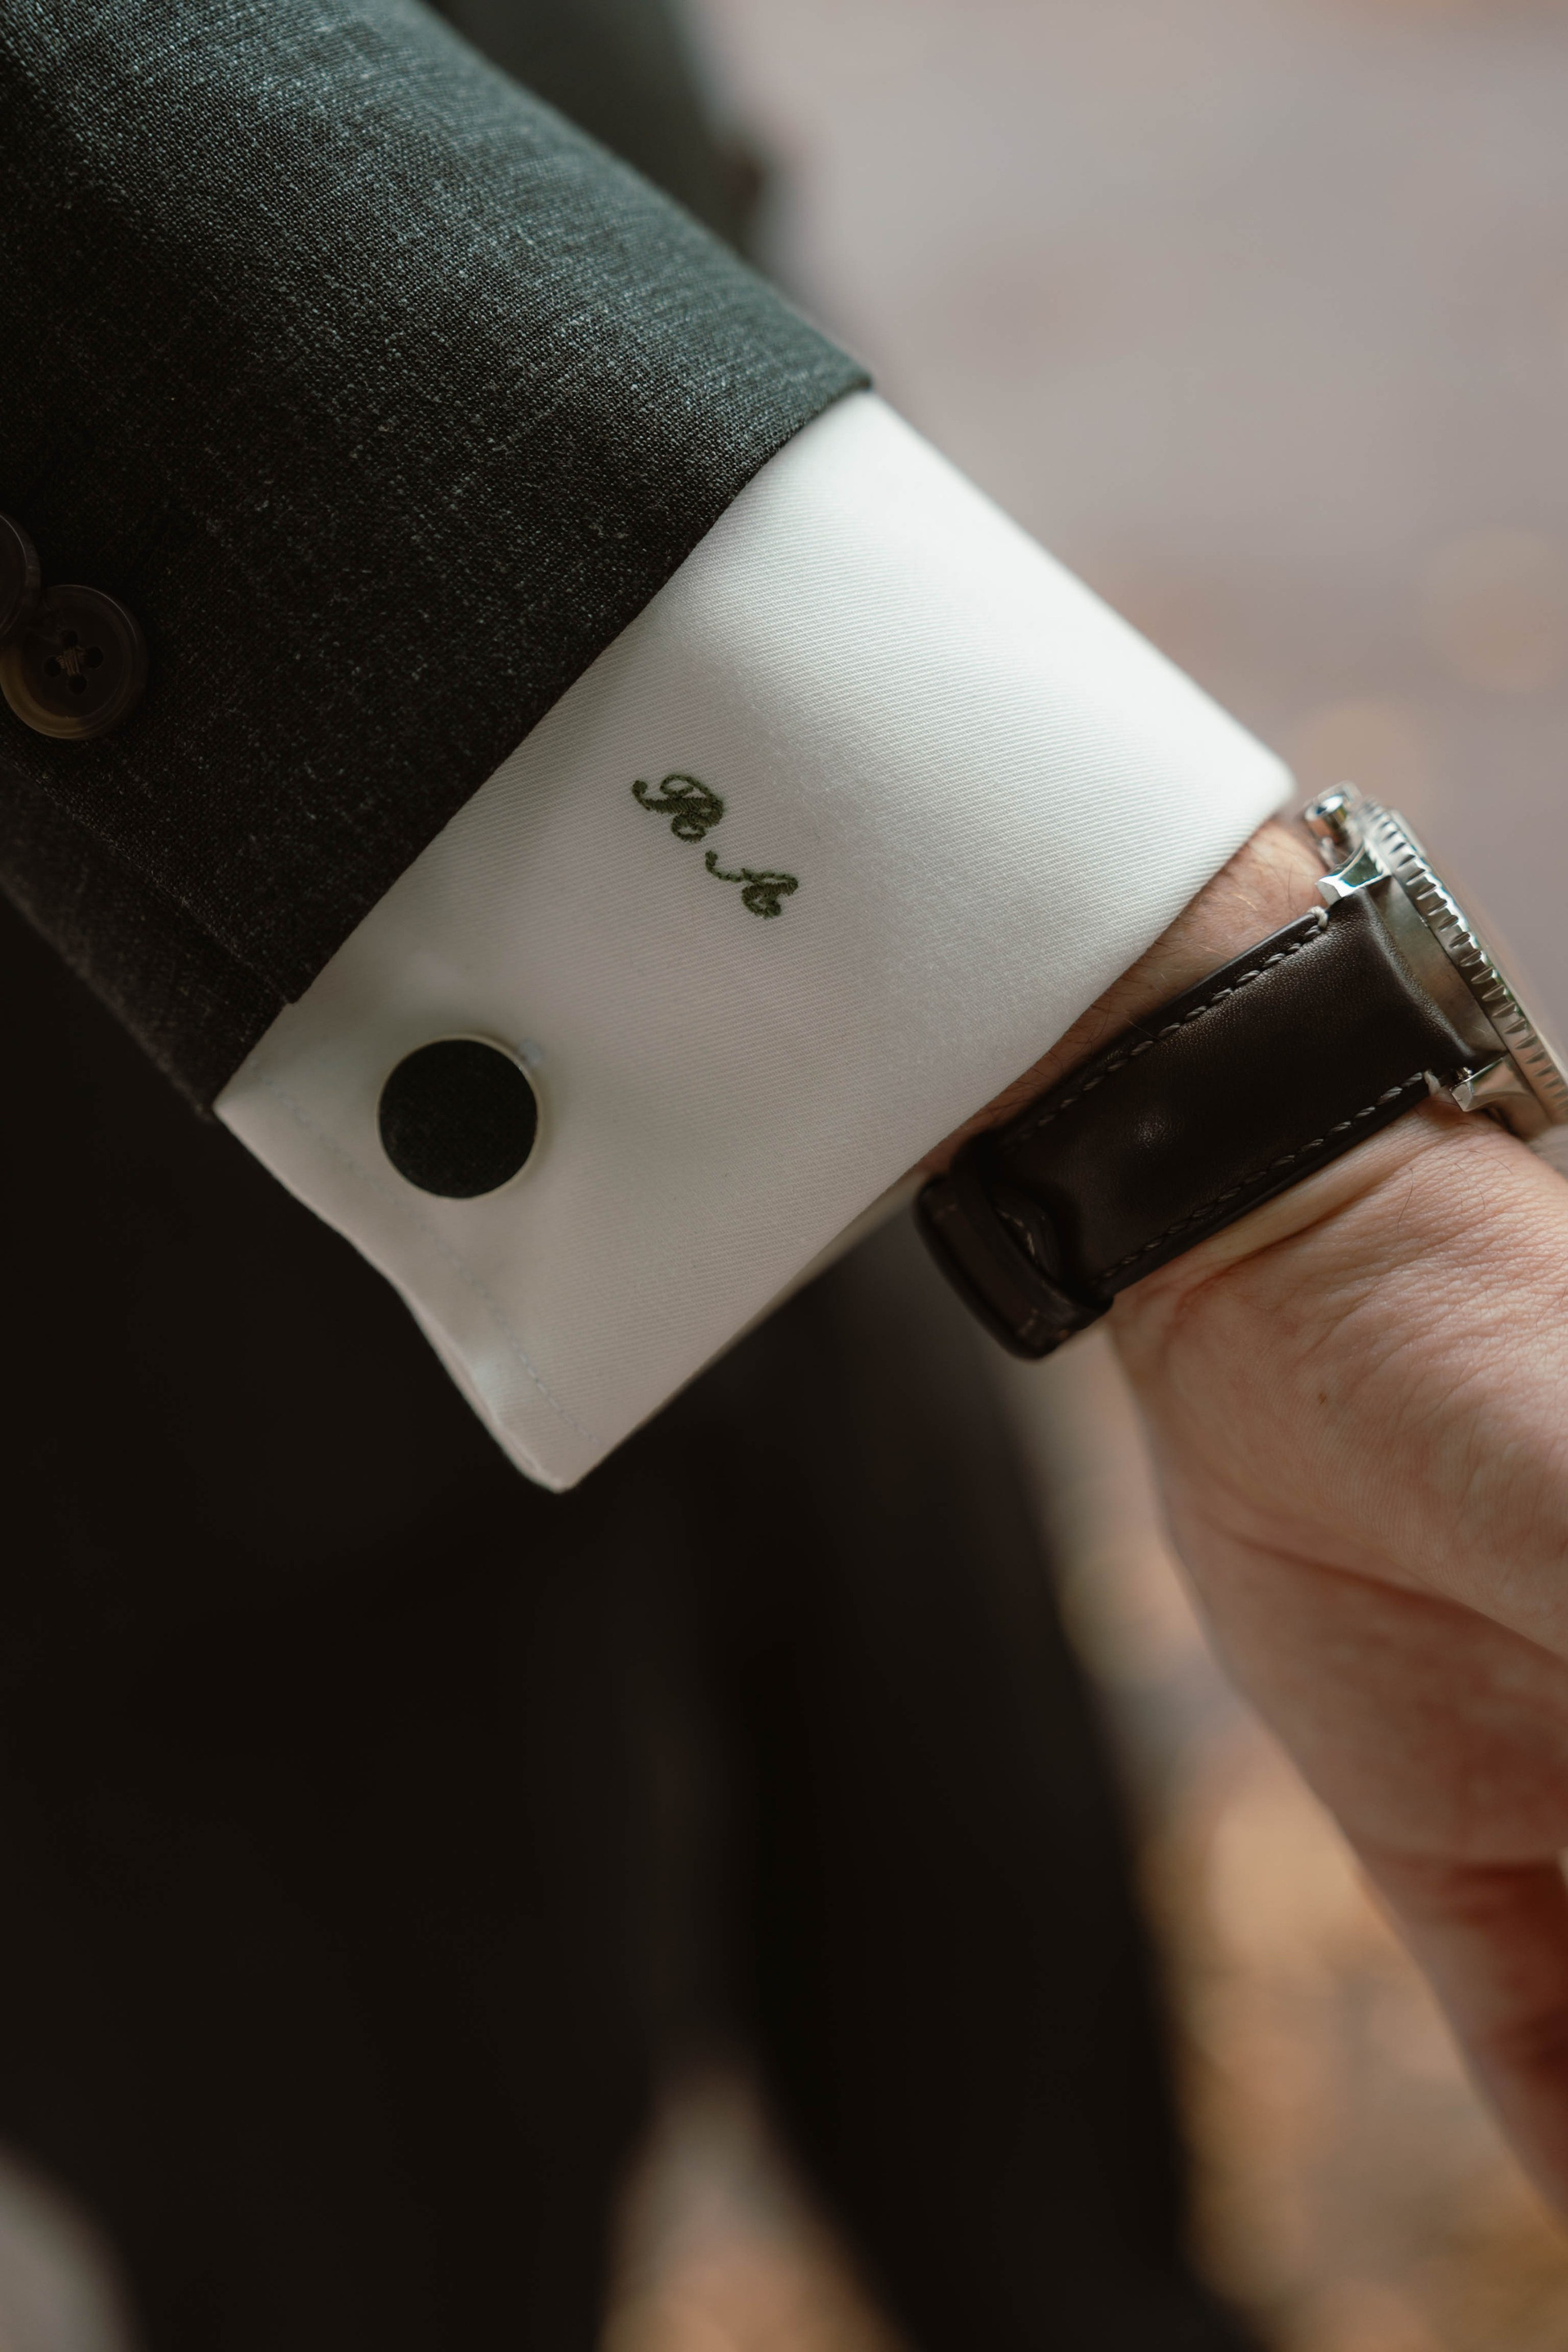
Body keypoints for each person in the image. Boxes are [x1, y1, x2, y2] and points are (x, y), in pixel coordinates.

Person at [1, 2, 1562, 2348]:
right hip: (114, 1394)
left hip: (864, 956)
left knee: (1070, 2203)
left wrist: (1198, 1150)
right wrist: (1265, 1148)